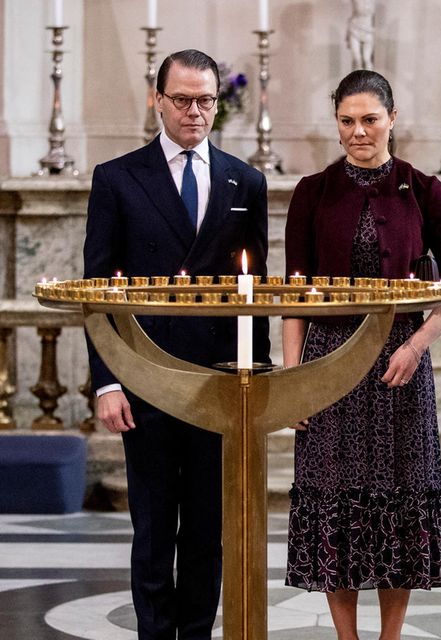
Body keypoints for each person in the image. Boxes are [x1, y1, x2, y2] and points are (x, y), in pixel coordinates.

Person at [83, 49, 270, 639]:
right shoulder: (117, 178)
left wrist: (259, 380)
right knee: (154, 527)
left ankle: (195, 634)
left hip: (220, 380)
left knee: (208, 530)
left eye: (206, 100)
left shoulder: (246, 180)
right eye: (183, 100)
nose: (195, 112)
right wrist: (106, 382)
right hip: (146, 378)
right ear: (157, 100)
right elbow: (97, 289)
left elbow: (255, 289)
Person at [282, 69, 441, 640]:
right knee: (335, 499)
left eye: (369, 120)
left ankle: (390, 636)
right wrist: (294, 381)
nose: (358, 131)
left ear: (392, 119)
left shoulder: (423, 188)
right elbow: (294, 296)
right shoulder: (312, 191)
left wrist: (417, 344)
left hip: (399, 367)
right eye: (347, 121)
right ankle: (347, 637)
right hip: (327, 365)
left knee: (399, 501)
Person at [346, 0, 375, 70]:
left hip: (368, 31)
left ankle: (369, 75)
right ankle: (357, 75)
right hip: (354, 29)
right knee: (357, 59)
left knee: (366, 59)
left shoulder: (372, 3)